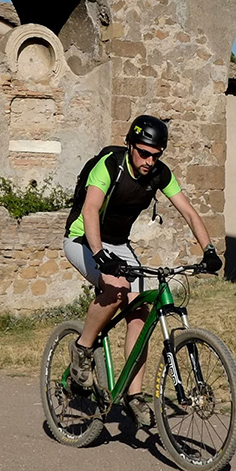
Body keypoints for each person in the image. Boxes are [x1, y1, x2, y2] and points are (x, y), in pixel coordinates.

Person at [63, 114, 222, 427]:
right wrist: (99, 255)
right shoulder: (110, 165)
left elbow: (189, 212)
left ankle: (134, 396)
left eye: (156, 154)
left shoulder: (160, 174)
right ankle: (82, 348)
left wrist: (210, 250)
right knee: (116, 288)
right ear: (130, 146)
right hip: (83, 238)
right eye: (144, 153)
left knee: (140, 309)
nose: (150, 160)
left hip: (118, 244)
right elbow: (91, 209)